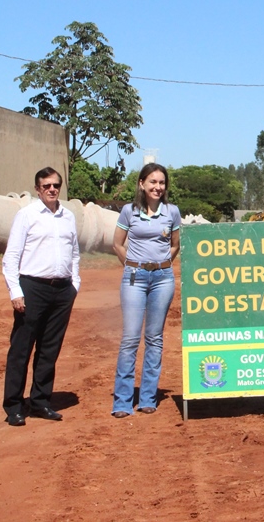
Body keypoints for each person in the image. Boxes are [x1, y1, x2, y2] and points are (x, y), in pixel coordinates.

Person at [1, 167, 81, 426]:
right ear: (37, 189)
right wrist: (16, 292)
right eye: (46, 185)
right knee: (21, 350)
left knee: (49, 350)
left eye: (56, 185)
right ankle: (14, 406)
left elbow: (75, 253)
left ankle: (40, 402)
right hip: (32, 287)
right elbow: (11, 257)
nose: (52, 189)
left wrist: (74, 285)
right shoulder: (26, 215)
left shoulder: (68, 217)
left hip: (62, 290)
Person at [110, 163, 181, 418]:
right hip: (134, 278)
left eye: (161, 183)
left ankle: (149, 397)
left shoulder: (172, 212)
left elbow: (175, 245)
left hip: (163, 278)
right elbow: (117, 243)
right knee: (130, 339)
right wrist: (132, 265)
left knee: (154, 338)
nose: (157, 187)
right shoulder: (129, 211)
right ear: (141, 184)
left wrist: (162, 264)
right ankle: (122, 401)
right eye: (152, 182)